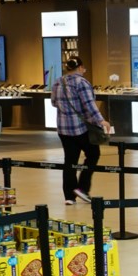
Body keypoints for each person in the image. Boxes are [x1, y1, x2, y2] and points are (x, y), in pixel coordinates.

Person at [51, 57, 111, 205]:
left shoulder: (58, 82)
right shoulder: (82, 83)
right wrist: (101, 120)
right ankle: (82, 188)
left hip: (63, 128)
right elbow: (89, 105)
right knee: (93, 154)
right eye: (84, 68)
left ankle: (69, 197)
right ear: (80, 68)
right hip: (80, 128)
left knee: (70, 160)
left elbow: (53, 102)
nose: (84, 71)